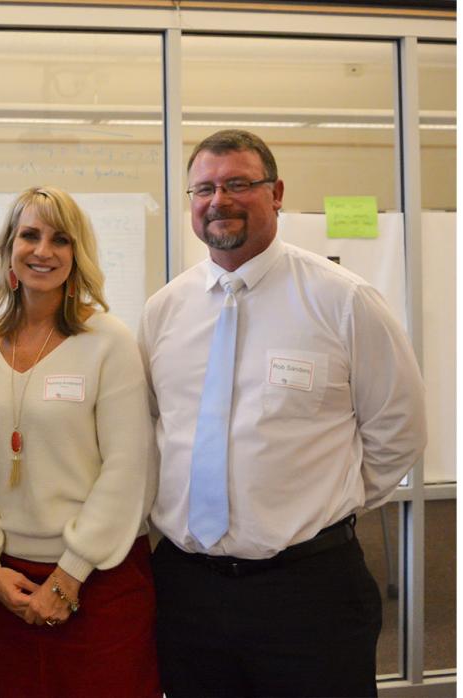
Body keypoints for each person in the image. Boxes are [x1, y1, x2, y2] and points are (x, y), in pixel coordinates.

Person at [140, 130, 426, 695]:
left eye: (238, 184)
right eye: (203, 189)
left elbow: (400, 431)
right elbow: (156, 428)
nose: (218, 200)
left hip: (308, 590)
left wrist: (319, 505)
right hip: (187, 589)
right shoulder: (165, 309)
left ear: (277, 194)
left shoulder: (344, 300)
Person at [0, 186, 160, 696]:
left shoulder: (108, 342)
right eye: (29, 235)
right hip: (10, 582)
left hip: (98, 576)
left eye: (60, 239)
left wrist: (69, 577)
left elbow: (128, 466)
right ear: (8, 248)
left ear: (78, 256)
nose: (43, 251)